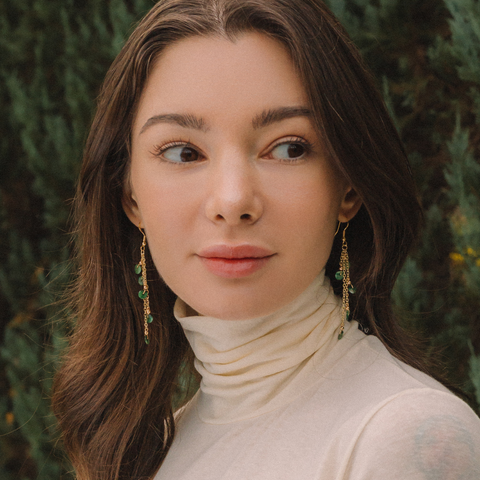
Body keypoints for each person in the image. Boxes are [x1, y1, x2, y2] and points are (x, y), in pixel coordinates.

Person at [52, 1, 480, 479]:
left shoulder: (406, 436)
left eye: (289, 148)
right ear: (130, 197)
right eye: (183, 152)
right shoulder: (147, 451)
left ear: (349, 186)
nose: (233, 200)